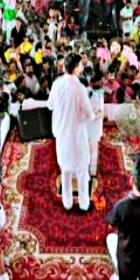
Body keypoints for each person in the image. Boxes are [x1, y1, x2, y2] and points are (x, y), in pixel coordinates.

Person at [47, 53, 100, 211]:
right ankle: (84, 205)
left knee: (65, 172)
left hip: (62, 136)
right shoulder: (79, 88)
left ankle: (67, 203)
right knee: (82, 174)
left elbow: (50, 105)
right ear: (77, 69)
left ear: (64, 67)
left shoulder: (56, 84)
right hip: (76, 137)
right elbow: (90, 115)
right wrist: (99, 114)